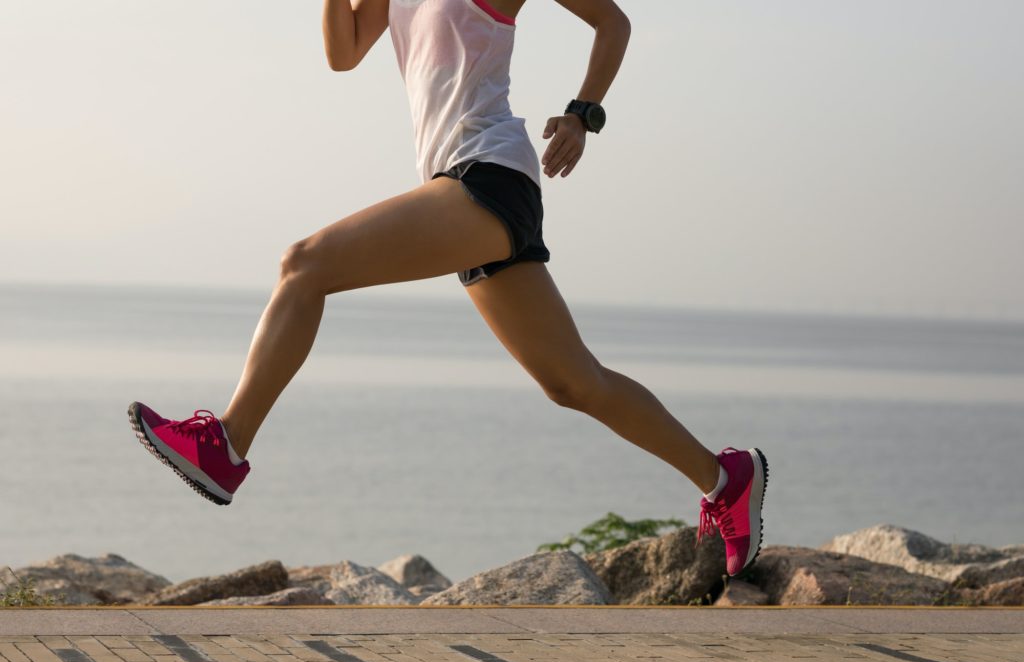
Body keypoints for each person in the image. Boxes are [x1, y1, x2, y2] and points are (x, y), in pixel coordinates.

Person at [127, 0, 768, 577]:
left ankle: (227, 444)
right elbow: (343, 54)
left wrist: (582, 114)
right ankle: (724, 478)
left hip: (486, 173)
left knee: (305, 264)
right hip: (462, 187)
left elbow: (613, 21)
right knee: (574, 383)